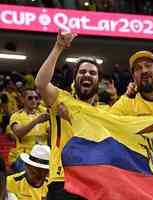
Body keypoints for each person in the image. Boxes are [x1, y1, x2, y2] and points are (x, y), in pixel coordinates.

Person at [35, 30, 108, 200]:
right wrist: (59, 46)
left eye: (92, 73)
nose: (87, 75)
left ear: (99, 81)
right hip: (62, 180)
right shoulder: (60, 98)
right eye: (82, 72)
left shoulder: (105, 112)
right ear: (75, 78)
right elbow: (40, 83)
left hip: (94, 181)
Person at [9, 89, 49, 172]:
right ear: (23, 100)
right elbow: (19, 133)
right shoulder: (16, 116)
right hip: (25, 156)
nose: (34, 100)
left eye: (36, 98)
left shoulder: (42, 115)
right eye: (30, 98)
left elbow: (52, 135)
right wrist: (36, 121)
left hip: (43, 156)